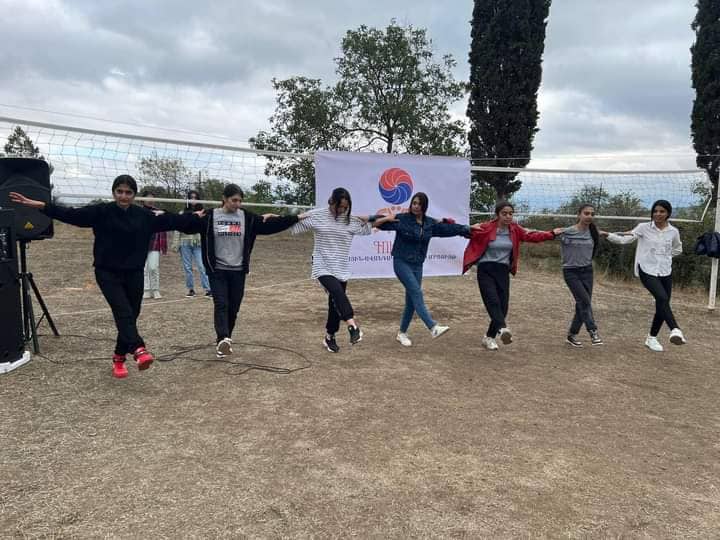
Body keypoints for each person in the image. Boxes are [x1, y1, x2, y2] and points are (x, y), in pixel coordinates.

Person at [9, 175, 202, 379]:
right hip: (107, 272)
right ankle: (139, 349)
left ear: (134, 195)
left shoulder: (144, 215)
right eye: (120, 191)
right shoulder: (101, 212)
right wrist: (43, 206)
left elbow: (174, 220)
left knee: (131, 315)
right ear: (113, 192)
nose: (123, 196)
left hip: (134, 272)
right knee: (123, 312)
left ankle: (119, 357)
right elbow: (71, 214)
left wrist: (197, 217)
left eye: (128, 192)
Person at [186, 183, 300, 358]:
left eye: (240, 201)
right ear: (224, 199)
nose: (237, 204)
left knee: (233, 307)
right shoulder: (209, 216)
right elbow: (186, 225)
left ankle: (226, 340)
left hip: (238, 270)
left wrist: (296, 218)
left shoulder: (247, 217)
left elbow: (270, 226)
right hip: (217, 270)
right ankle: (222, 337)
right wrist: (181, 215)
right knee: (221, 303)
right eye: (234, 200)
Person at [377, 192, 479, 346]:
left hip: (418, 265)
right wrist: (380, 219)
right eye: (414, 203)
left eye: (419, 204)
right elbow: (378, 223)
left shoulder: (430, 224)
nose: (416, 206)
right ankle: (432, 327)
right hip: (401, 262)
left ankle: (402, 333)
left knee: (411, 301)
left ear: (424, 206)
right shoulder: (401, 219)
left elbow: (448, 229)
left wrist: (467, 228)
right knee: (416, 292)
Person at [291, 187, 376, 353]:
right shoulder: (317, 215)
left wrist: (372, 218)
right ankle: (353, 326)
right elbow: (294, 227)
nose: (342, 210)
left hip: (341, 267)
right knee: (337, 293)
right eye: (339, 206)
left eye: (345, 207)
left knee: (335, 302)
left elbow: (372, 225)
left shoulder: (350, 220)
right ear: (332, 202)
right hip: (322, 265)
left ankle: (329, 336)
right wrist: (292, 217)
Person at [463, 201, 556, 351]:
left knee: (503, 307)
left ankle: (489, 337)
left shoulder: (515, 229)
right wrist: (464, 228)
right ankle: (502, 328)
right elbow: (466, 232)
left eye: (510, 214)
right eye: (504, 213)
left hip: (502, 270)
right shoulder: (486, 227)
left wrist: (552, 234)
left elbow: (533, 236)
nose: (508, 216)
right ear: (497, 215)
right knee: (492, 300)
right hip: (486, 269)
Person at [605, 199, 685, 352]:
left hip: (665, 270)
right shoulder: (643, 227)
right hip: (646, 269)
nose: (658, 214)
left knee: (662, 304)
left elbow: (678, 249)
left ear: (668, 213)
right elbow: (625, 240)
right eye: (655, 211)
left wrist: (665, 256)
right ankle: (675, 329)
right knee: (662, 298)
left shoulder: (673, 231)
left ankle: (651, 338)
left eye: (662, 211)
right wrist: (607, 235)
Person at [555, 204, 605, 348]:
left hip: (587, 271)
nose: (589, 216)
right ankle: (593, 331)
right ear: (579, 215)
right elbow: (543, 234)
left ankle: (572, 335)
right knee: (585, 301)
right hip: (571, 272)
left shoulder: (594, 232)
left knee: (582, 304)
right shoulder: (567, 232)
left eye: (592, 214)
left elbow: (615, 236)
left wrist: (633, 234)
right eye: (586, 213)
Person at [172, 190, 211, 298]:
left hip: (198, 243)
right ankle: (191, 289)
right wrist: (175, 244)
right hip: (185, 243)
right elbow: (177, 229)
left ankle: (208, 289)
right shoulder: (182, 213)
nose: (193, 200)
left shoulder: (203, 213)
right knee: (187, 267)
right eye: (191, 198)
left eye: (195, 198)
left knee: (202, 266)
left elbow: (206, 228)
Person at [140, 190, 168, 299]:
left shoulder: (158, 212)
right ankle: (146, 290)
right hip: (141, 244)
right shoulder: (138, 211)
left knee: (153, 267)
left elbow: (164, 227)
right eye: (148, 198)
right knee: (144, 268)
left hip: (154, 244)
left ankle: (155, 289)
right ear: (143, 200)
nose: (150, 200)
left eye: (152, 198)